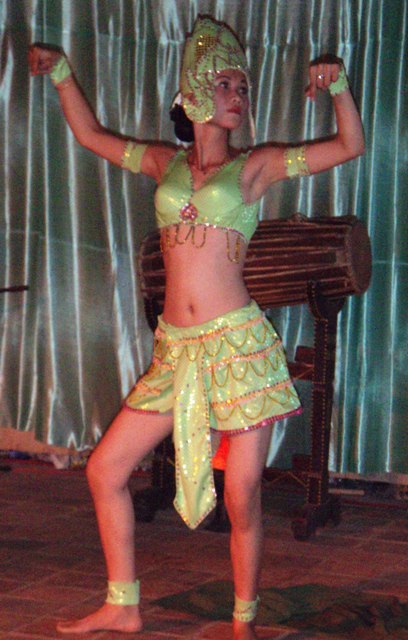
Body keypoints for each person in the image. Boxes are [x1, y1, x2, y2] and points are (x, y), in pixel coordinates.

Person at [29, 15, 364, 640]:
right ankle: (124, 605)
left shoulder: (256, 167)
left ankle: (243, 621)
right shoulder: (164, 163)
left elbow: (349, 147)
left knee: (241, 495)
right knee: (106, 470)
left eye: (244, 88)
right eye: (227, 84)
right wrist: (63, 74)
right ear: (194, 91)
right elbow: (91, 136)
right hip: (177, 353)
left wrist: (338, 85)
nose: (239, 96)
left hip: (238, 349)